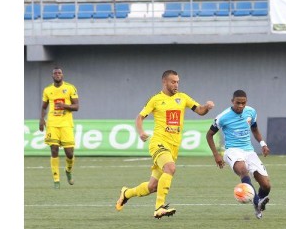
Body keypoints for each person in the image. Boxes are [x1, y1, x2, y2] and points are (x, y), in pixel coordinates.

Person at [116, 70, 215, 219]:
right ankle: (159, 207)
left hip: (173, 147)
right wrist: (141, 131)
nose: (176, 84)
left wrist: (206, 107)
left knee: (152, 187)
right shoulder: (155, 99)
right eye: (173, 82)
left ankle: (126, 193)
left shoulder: (183, 98)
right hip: (159, 143)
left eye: (177, 82)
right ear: (165, 82)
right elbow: (140, 117)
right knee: (170, 168)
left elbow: (200, 110)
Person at [206, 90, 272, 219]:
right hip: (232, 150)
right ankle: (256, 201)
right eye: (238, 103)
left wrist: (263, 144)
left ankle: (259, 204)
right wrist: (216, 155)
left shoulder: (251, 112)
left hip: (249, 151)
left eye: (243, 103)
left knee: (266, 185)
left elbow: (254, 129)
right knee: (243, 170)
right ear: (232, 101)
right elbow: (209, 135)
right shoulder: (223, 117)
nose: (241, 106)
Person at [39, 67, 79, 189]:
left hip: (66, 124)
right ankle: (56, 179)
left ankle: (68, 170)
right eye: (55, 73)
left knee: (69, 153)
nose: (57, 74)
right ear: (52, 76)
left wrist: (64, 106)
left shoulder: (70, 88)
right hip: (52, 124)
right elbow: (44, 107)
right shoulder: (47, 90)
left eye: (59, 73)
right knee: (54, 150)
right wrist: (41, 119)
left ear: (62, 75)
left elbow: (76, 106)